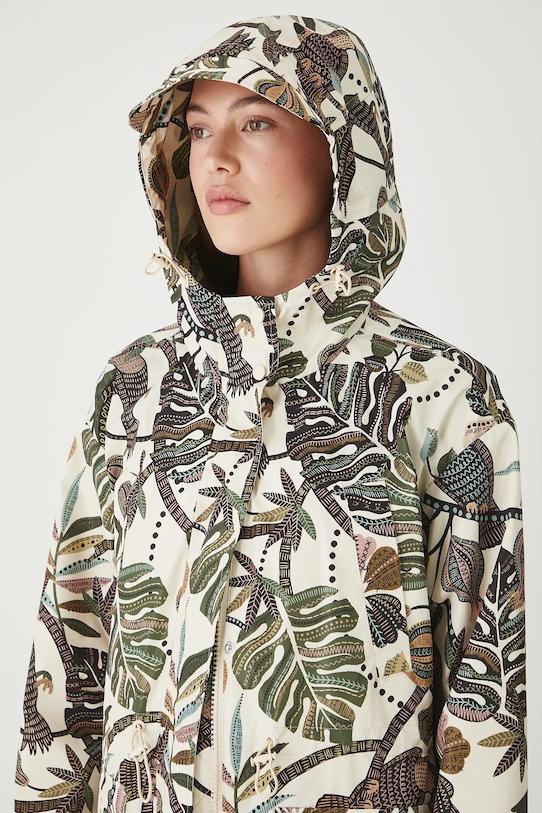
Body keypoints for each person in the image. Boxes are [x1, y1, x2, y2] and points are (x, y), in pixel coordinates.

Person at [13, 13, 527, 813]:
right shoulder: (134, 391)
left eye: (256, 121)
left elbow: (483, 697)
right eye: (197, 129)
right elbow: (68, 672)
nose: (215, 156)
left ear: (341, 147)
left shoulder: (440, 398)